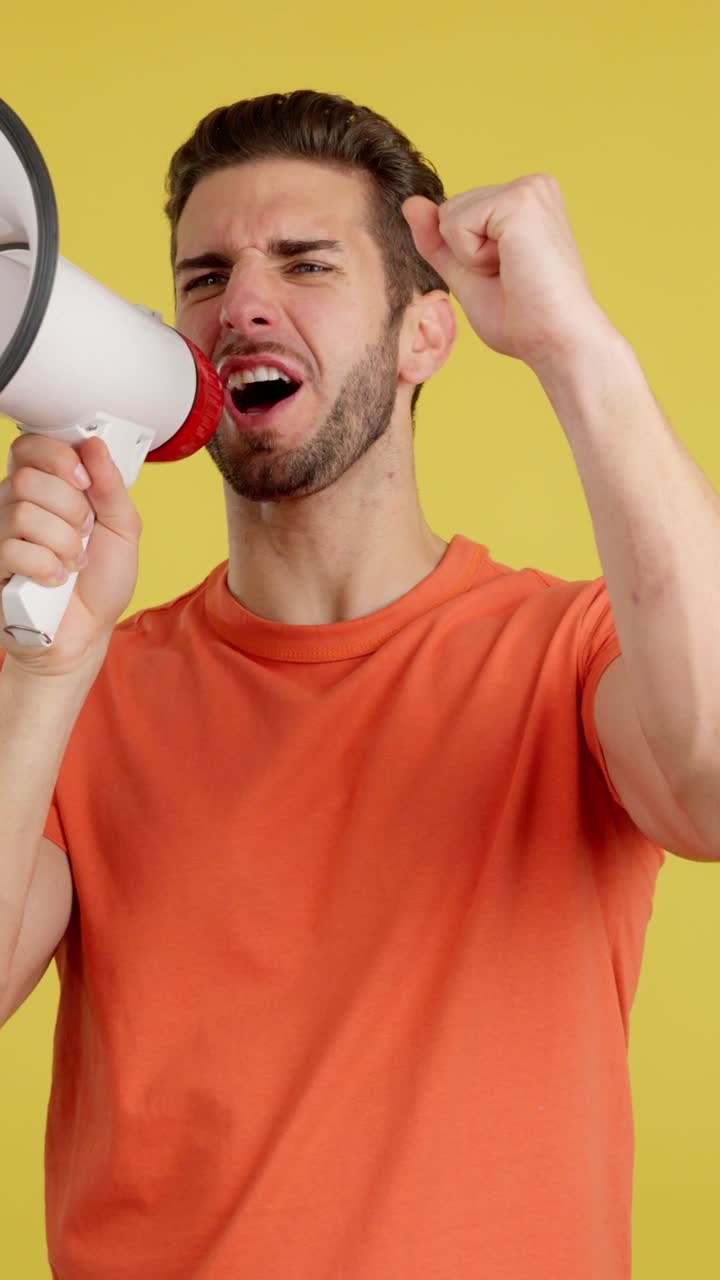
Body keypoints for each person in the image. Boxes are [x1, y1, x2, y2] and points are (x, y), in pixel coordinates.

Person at [0, 89, 717, 1280]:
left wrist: (576, 346)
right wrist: (43, 671)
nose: (242, 306)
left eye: (307, 263)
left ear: (425, 333)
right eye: (205, 275)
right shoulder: (91, 692)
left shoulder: (572, 655)